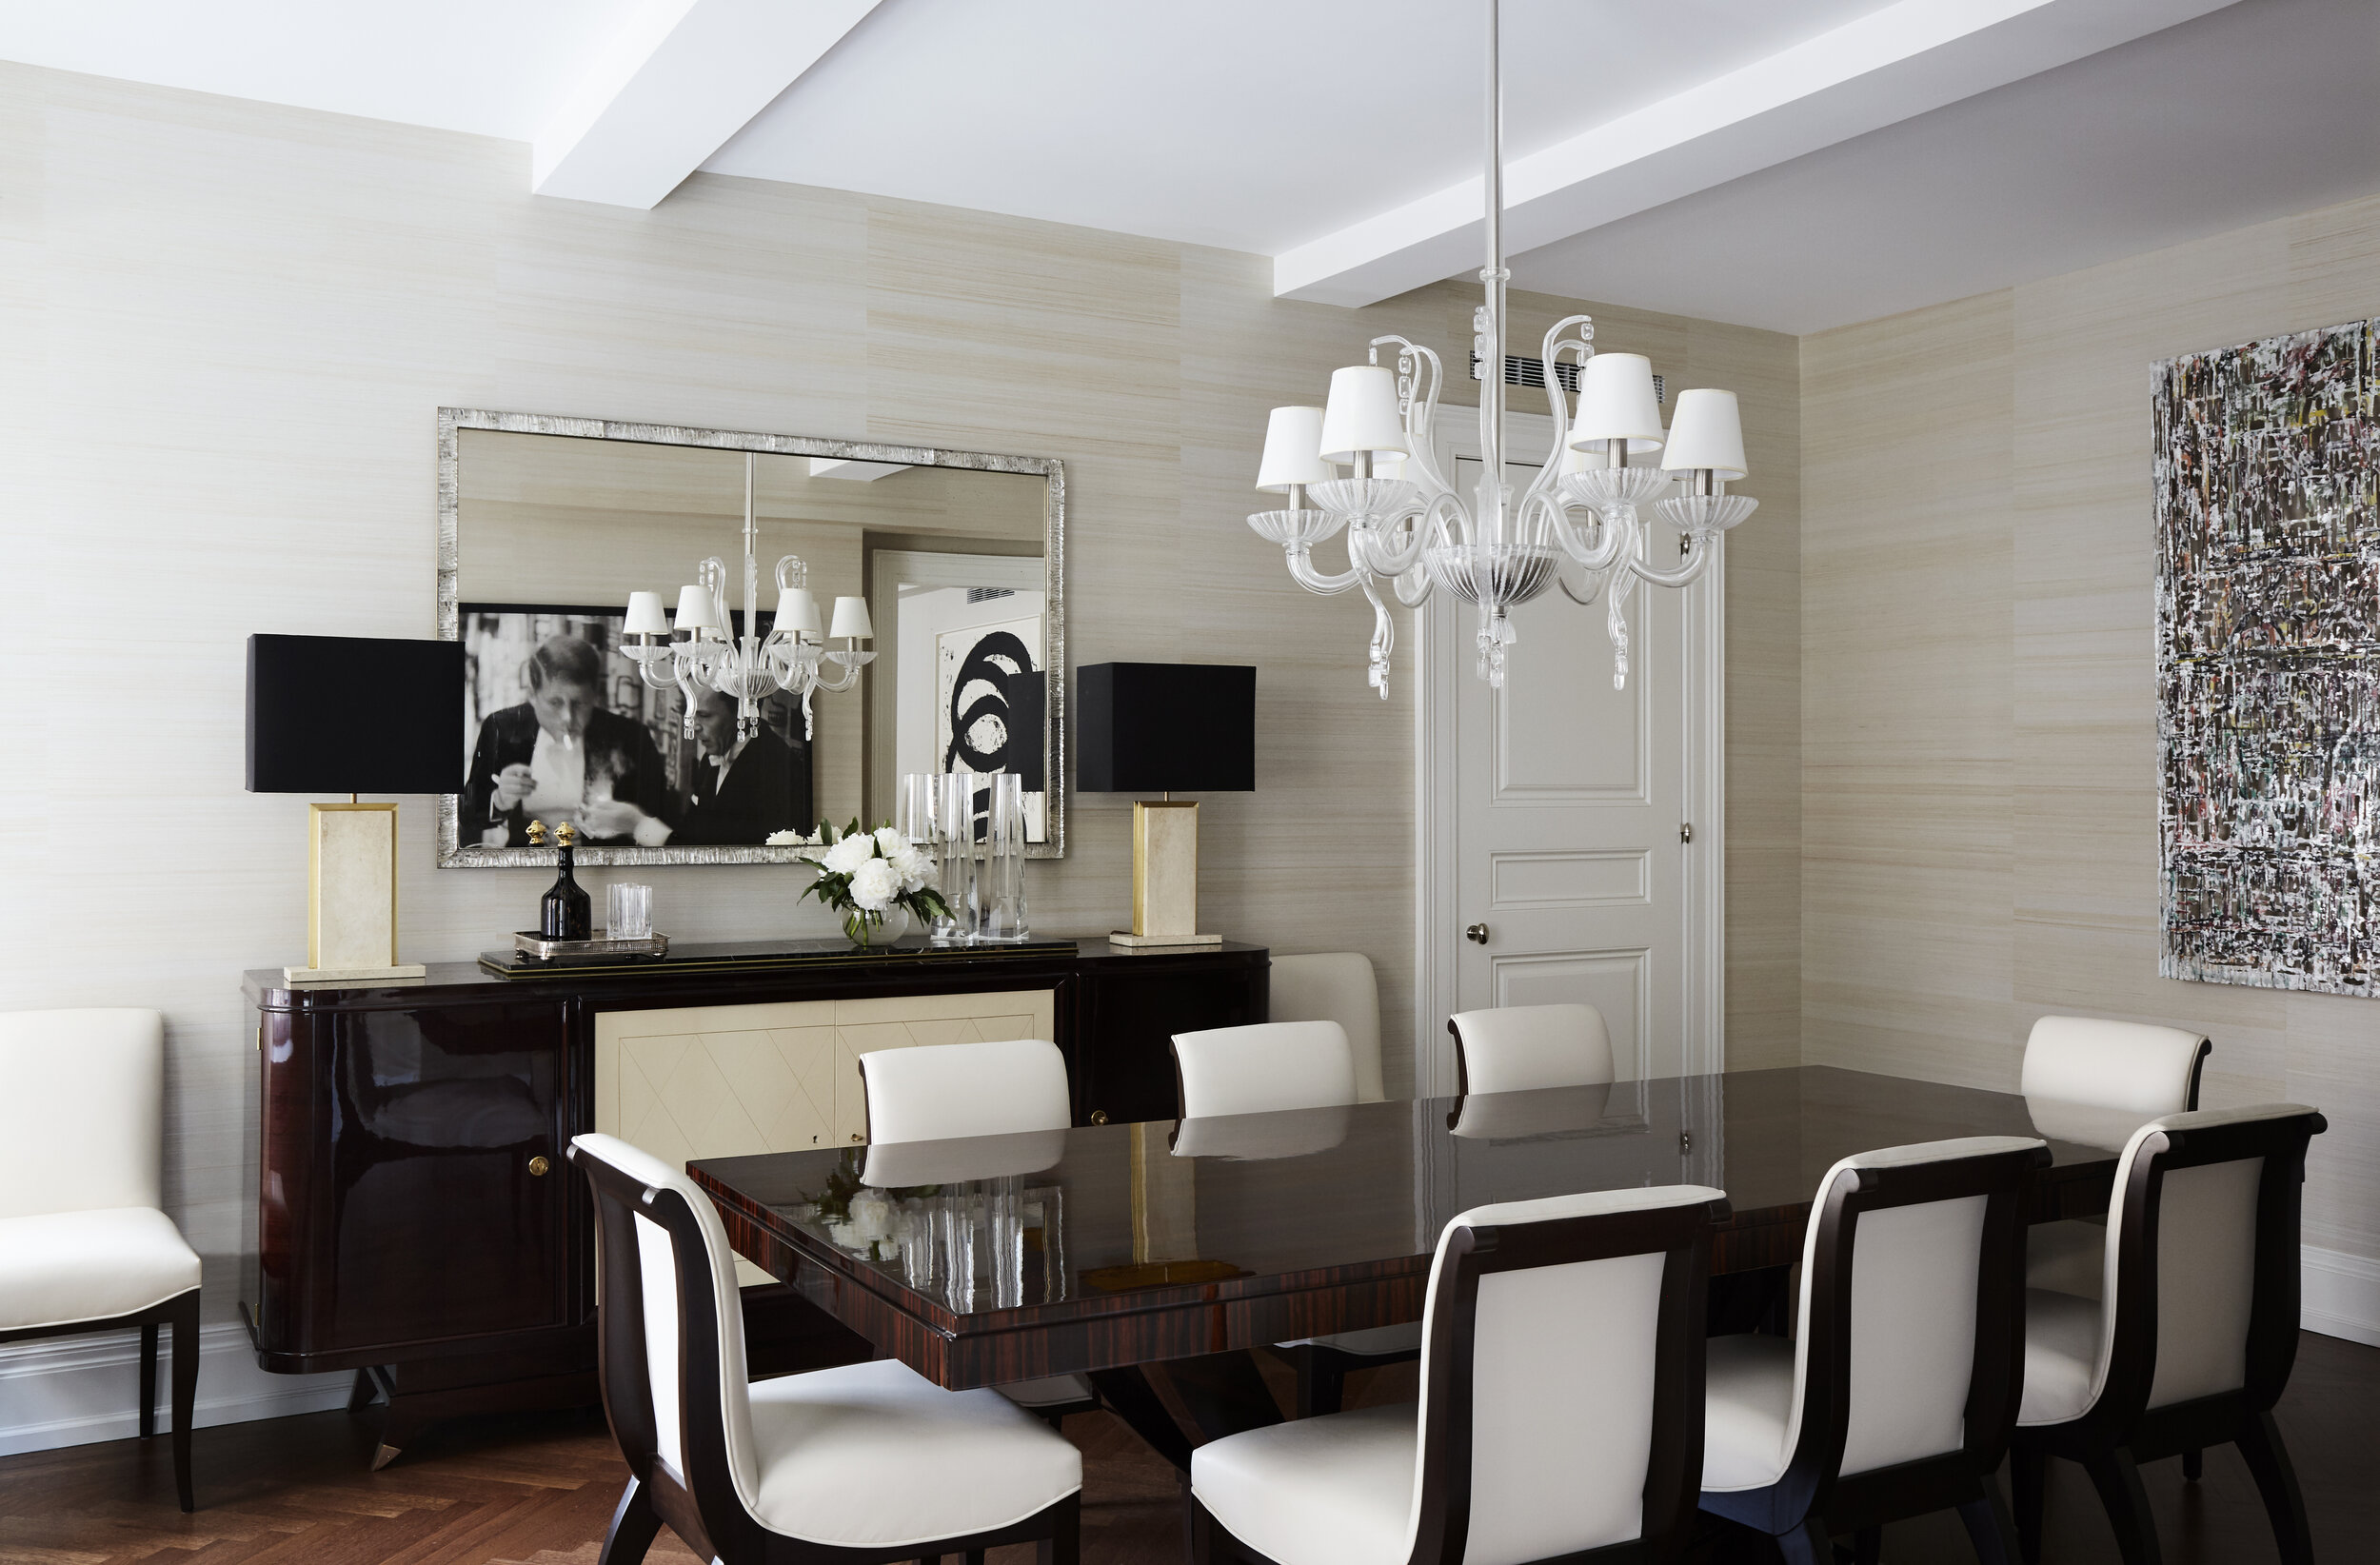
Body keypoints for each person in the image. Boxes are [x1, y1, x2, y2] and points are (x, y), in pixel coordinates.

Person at [463, 635, 675, 847]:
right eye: (555, 702)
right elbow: (466, 816)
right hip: (523, 862)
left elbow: (664, 829)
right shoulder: (501, 728)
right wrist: (499, 800)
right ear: (532, 695)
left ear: (595, 696)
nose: (567, 717)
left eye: (579, 703)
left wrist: (634, 823)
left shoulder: (632, 737)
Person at [671, 687, 803, 844]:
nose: (694, 727)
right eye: (691, 715)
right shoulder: (709, 759)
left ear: (744, 714)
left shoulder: (780, 769)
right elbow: (694, 832)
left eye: (704, 715)